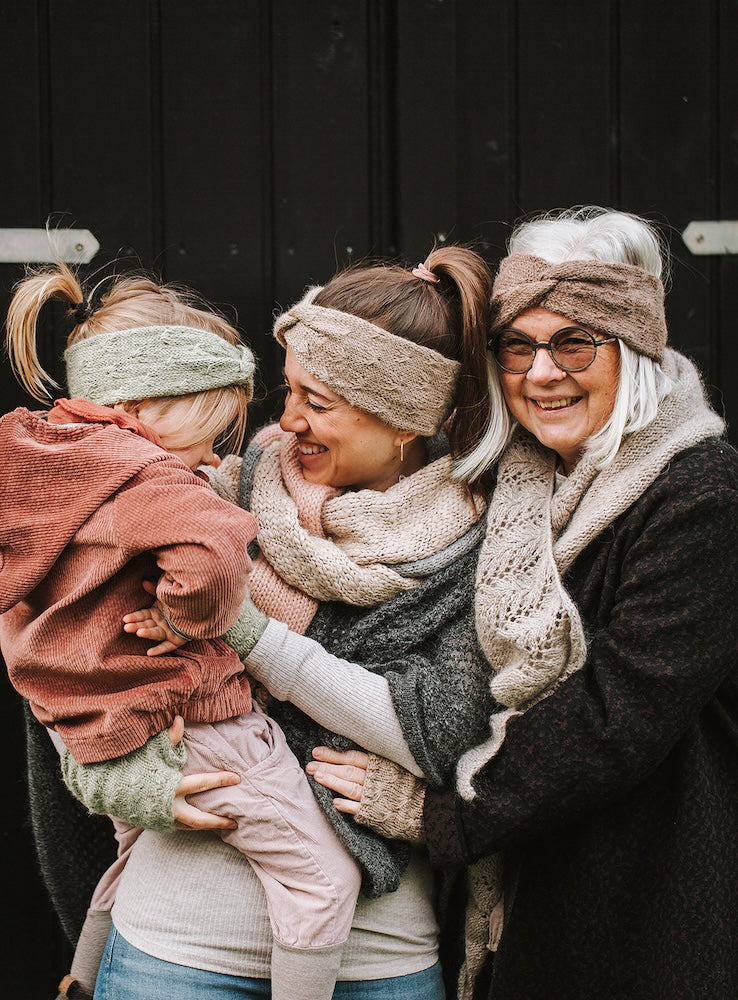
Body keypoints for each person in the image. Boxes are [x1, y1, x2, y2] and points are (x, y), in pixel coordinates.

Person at [37, 245, 499, 1000]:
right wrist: (122, 779)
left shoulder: (478, 547)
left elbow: (442, 730)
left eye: (318, 402)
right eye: (290, 391)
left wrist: (246, 632)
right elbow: (70, 650)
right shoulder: (214, 489)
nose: (285, 421)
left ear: (405, 417)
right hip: (175, 949)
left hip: (379, 962)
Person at [308, 207, 738, 1000]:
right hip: (524, 899)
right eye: (518, 345)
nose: (541, 373)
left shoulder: (698, 490)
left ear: (636, 343)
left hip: (643, 905)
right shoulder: (504, 483)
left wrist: (439, 811)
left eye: (576, 343)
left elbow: (615, 717)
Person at [0, 262, 363, 1000]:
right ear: (150, 406)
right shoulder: (147, 474)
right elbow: (215, 554)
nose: (213, 459)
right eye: (208, 431)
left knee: (129, 858)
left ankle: (79, 981)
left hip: (108, 726)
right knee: (325, 879)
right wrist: (187, 616)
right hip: (195, 714)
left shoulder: (35, 460)